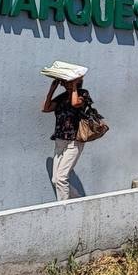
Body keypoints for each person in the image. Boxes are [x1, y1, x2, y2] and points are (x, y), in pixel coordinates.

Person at [42, 73, 92, 201]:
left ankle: (63, 208)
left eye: (67, 81)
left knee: (61, 178)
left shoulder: (83, 94)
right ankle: (77, 200)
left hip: (74, 142)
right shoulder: (62, 97)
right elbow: (46, 108)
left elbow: (75, 103)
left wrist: (74, 86)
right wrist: (52, 89)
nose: (64, 84)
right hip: (60, 141)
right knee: (56, 179)